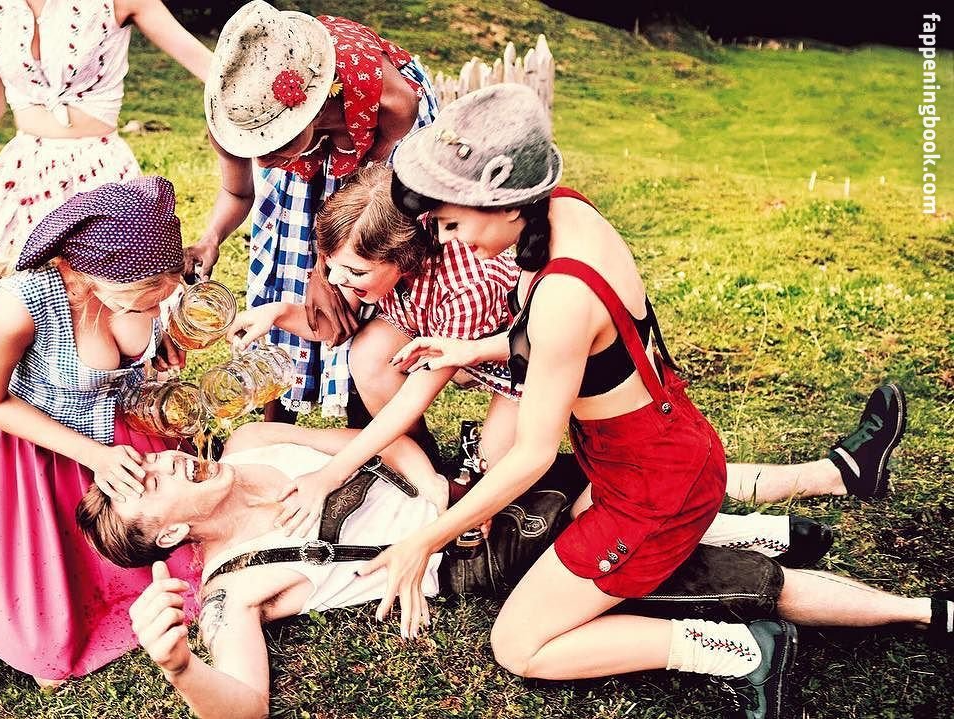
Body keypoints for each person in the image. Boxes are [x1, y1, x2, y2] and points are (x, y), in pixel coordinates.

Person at [320, 82, 906, 719]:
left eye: (454, 223)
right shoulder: (565, 213)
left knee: (518, 644)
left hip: (648, 486)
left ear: (502, 201)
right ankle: (761, 532)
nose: (451, 240)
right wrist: (474, 349)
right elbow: (585, 346)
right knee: (561, 531)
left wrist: (423, 541)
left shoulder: (561, 295)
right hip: (655, 447)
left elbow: (532, 454)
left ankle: (744, 651)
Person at [230, 165, 906, 563]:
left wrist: (332, 473)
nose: (339, 284)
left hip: (535, 374)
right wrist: (280, 313)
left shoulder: (466, 285)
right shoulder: (399, 268)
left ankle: (805, 496)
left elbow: (417, 395)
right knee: (523, 480)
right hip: (501, 358)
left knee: (588, 489)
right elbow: (360, 331)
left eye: (352, 273)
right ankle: (452, 480)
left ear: (403, 258)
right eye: (334, 269)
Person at [75, 425, 953, 719]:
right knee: (711, 574)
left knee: (651, 485)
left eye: (146, 460)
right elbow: (247, 706)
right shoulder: (231, 586)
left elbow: (381, 439)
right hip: (497, 553)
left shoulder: (249, 441)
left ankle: (798, 501)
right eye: (149, 485)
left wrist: (432, 492)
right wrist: (181, 666)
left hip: (485, 488)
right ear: (168, 536)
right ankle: (917, 608)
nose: (166, 461)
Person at [0, 0, 233, 561]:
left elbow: (209, 69)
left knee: (125, 329)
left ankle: (139, 483)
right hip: (24, 176)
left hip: (98, 179)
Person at [0, 176, 199, 685]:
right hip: (49, 453)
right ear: (90, 275)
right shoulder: (23, 304)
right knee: (58, 619)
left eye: (162, 295)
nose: (155, 307)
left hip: (132, 435)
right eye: (144, 301)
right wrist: (95, 456)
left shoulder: (140, 283)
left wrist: (157, 346)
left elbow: (142, 327)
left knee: (184, 573)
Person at [188, 0, 439, 421]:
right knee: (285, 258)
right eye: (255, 146)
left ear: (314, 109)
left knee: (366, 264)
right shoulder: (236, 115)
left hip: (374, 173)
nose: (264, 161)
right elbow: (237, 193)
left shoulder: (392, 103)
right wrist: (210, 238)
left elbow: (365, 199)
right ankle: (277, 407)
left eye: (277, 143)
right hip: (325, 144)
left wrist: (324, 270)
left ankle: (367, 408)